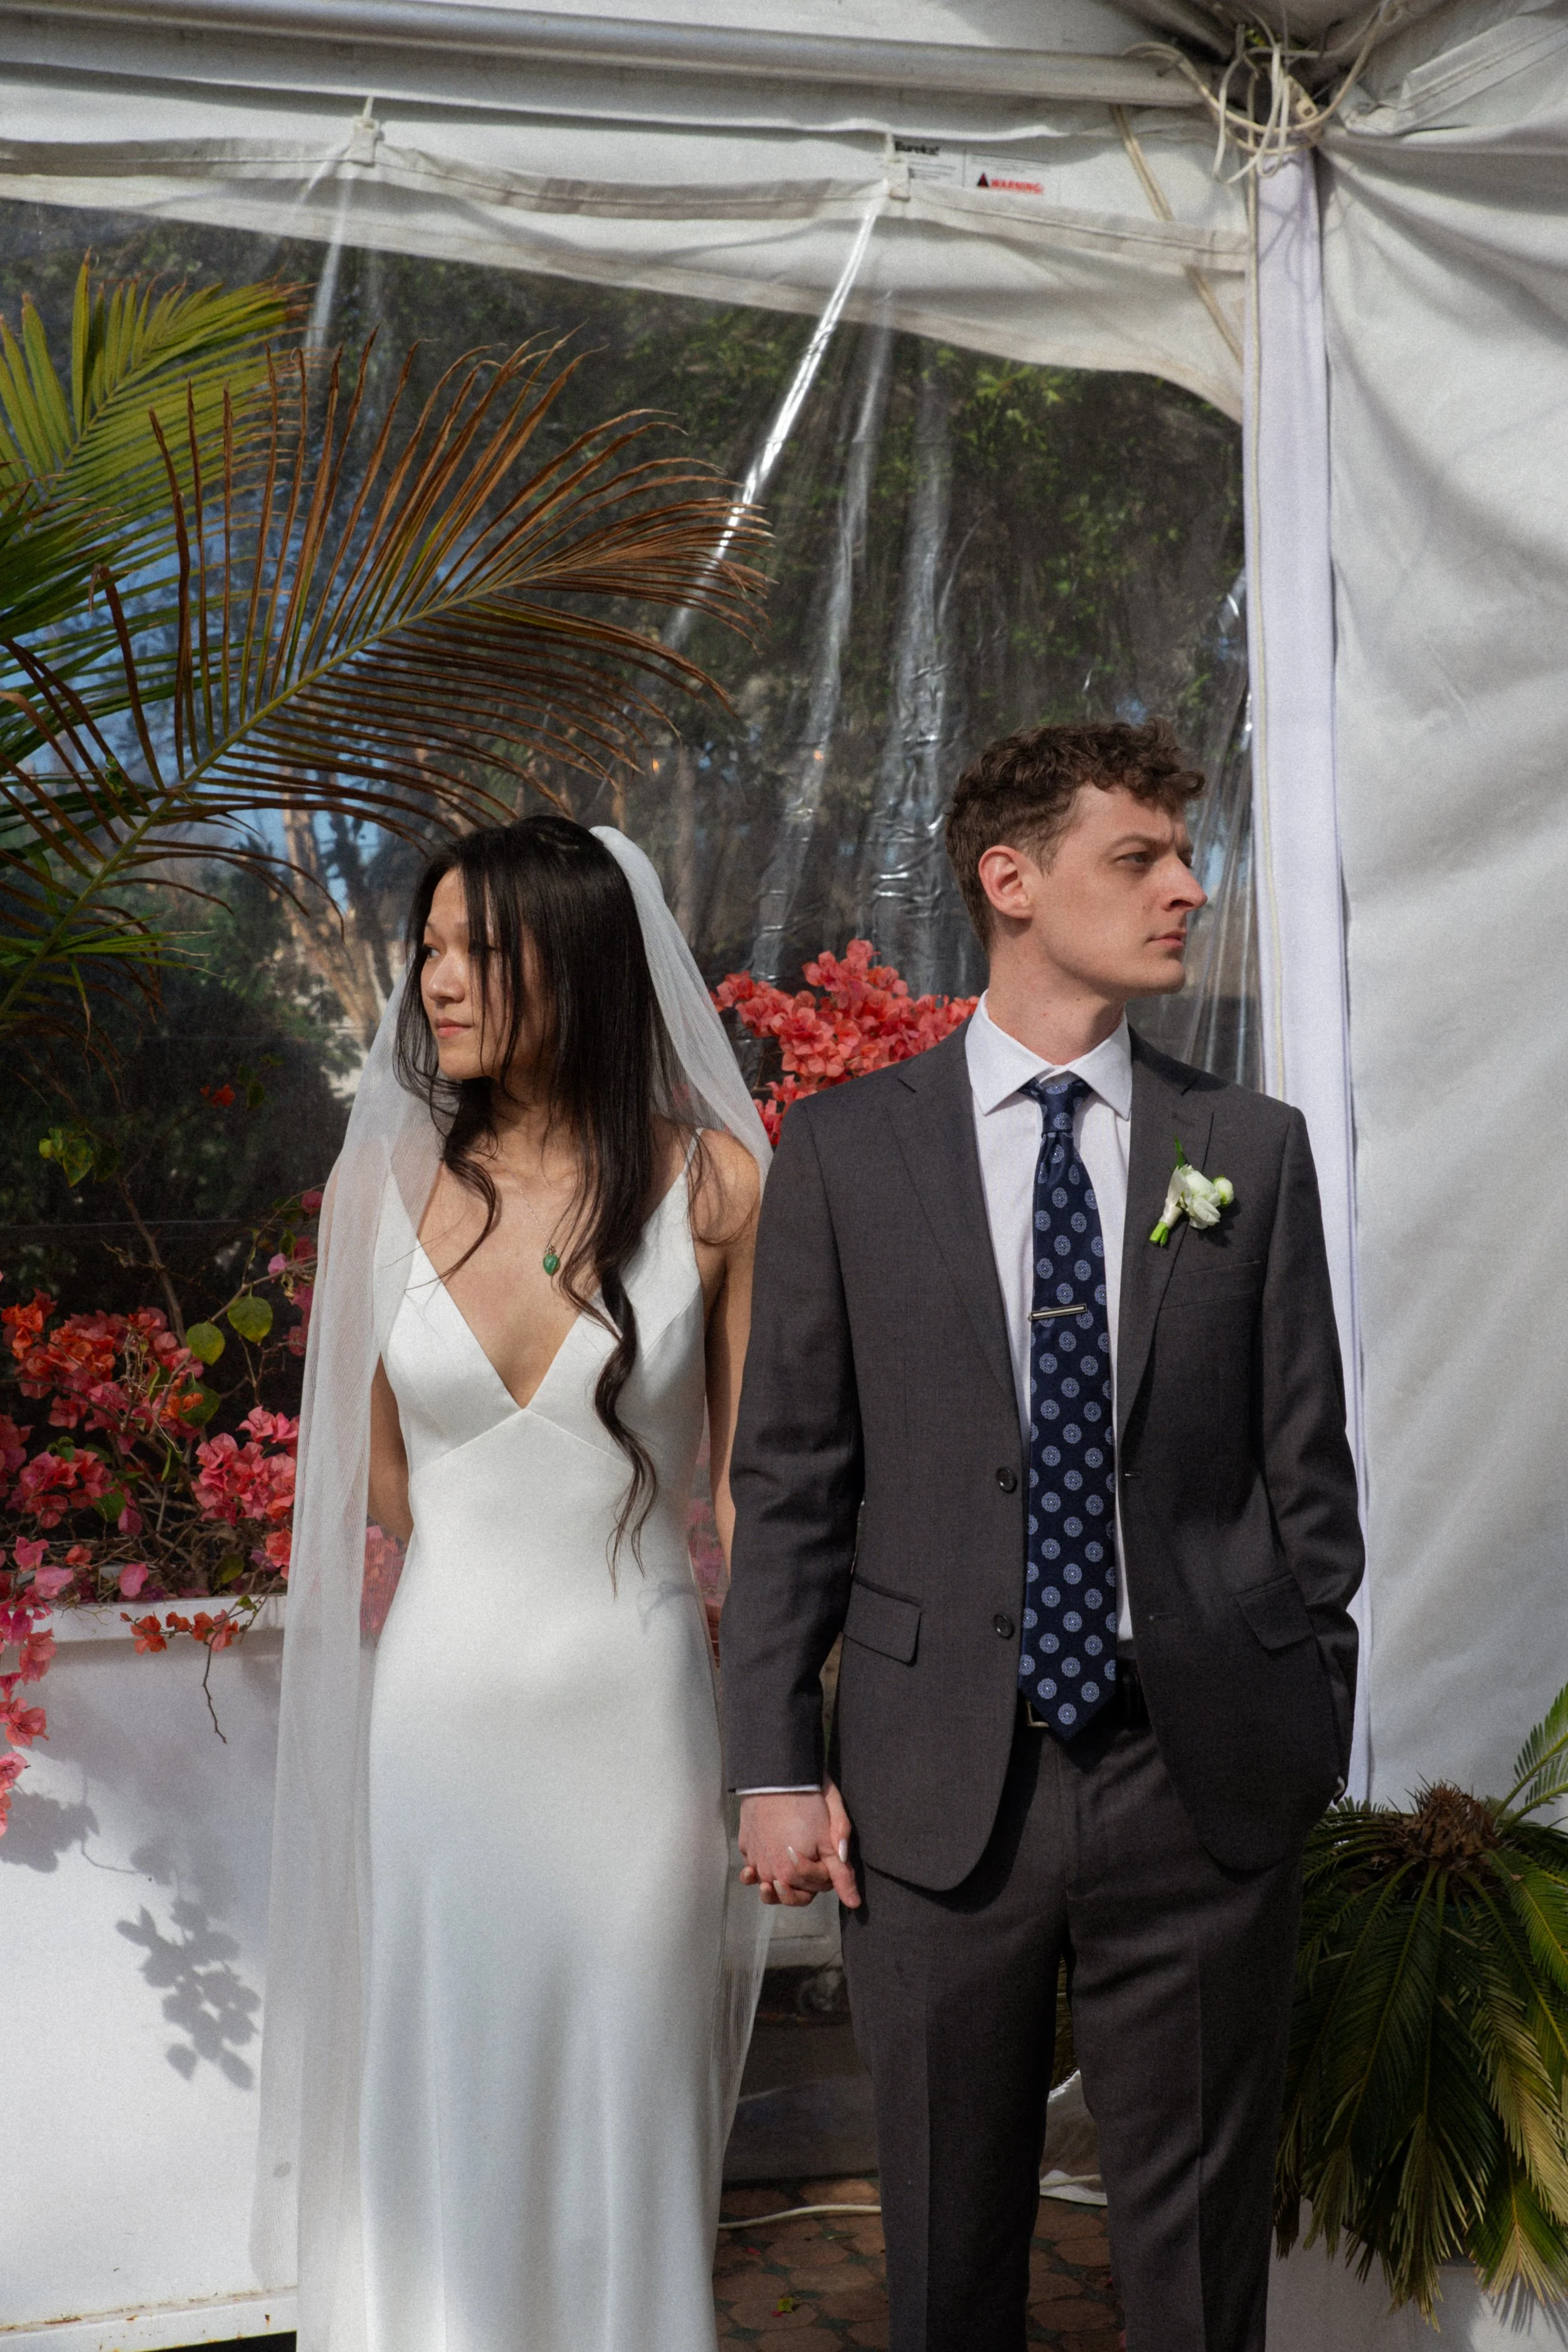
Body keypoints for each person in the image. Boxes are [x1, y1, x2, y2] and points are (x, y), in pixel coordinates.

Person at [720, 720, 1364, 2352]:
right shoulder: (847, 1152)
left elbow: (1310, 1478)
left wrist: (1297, 1714)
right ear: (1009, 878)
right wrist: (774, 1758)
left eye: (1184, 854)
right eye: (1138, 856)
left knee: (1197, 2250)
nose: (1184, 889)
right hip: (938, 1780)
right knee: (945, 2232)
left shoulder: (1247, 1149)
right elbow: (792, 1472)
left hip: (1198, 1773)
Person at [253, 815, 771, 2352]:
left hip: (636, 1718)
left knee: (629, 2069)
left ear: (584, 961)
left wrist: (796, 1745)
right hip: (444, 1716)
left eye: (479, 947)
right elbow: (382, 1487)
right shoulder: (376, 1198)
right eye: (428, 947)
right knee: (449, 2062)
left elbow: (751, 1498)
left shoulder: (721, 1187)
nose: (437, 981)